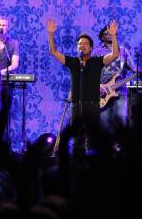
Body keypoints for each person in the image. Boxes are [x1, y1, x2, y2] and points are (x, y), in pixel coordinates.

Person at [47, 19, 119, 151]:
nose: (82, 46)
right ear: (77, 47)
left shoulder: (97, 61)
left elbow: (115, 54)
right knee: (77, 142)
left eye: (85, 44)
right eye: (80, 44)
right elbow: (53, 52)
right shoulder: (73, 62)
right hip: (76, 106)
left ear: (91, 48)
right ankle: (77, 166)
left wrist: (113, 36)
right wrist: (51, 34)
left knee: (93, 141)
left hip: (92, 106)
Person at [92, 23, 136, 135]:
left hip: (120, 91)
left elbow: (134, 68)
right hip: (103, 93)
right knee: (104, 123)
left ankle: (120, 149)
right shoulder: (97, 52)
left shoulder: (123, 51)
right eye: (108, 32)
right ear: (102, 37)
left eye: (113, 32)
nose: (111, 34)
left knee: (121, 121)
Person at [0, 16, 19, 135]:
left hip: (6, 84)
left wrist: (1, 71)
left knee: (3, 114)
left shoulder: (13, 43)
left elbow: (14, 65)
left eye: (4, 25)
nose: (1, 27)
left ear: (8, 28)